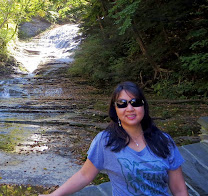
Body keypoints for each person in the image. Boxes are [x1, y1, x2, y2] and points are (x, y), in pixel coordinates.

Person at [40, 81, 188, 196]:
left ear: (143, 106)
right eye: (122, 104)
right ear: (115, 109)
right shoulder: (106, 141)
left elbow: (179, 190)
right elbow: (85, 175)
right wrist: (55, 194)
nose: (129, 109)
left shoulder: (164, 141)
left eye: (135, 102)